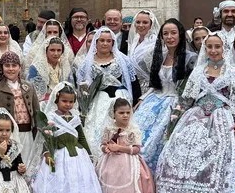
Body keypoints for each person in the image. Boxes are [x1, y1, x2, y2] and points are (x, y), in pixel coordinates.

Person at [155, 33, 235, 193]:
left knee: (223, 157)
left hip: (223, 118)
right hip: (196, 118)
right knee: (180, 155)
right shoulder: (197, 72)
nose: (213, 51)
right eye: (209, 47)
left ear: (225, 49)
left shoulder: (232, 73)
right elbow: (186, 99)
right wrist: (175, 119)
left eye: (217, 47)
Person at [30, 83, 105, 193]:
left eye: (71, 102)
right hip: (58, 154)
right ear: (57, 100)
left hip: (77, 155)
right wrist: (47, 153)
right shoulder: (51, 117)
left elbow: (81, 138)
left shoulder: (75, 118)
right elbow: (46, 138)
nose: (68, 104)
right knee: (60, 182)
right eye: (64, 101)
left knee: (76, 182)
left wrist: (89, 155)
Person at [133, 19, 193, 170]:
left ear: (180, 35)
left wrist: (181, 108)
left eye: (173, 33)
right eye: (165, 33)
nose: (169, 37)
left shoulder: (190, 58)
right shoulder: (160, 56)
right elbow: (156, 83)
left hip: (175, 103)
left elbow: (191, 88)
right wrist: (143, 98)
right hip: (154, 100)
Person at [75, 26, 139, 165]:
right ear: (95, 43)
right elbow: (82, 88)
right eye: (101, 40)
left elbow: (133, 83)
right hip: (97, 102)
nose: (105, 43)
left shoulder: (123, 60)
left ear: (113, 43)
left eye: (108, 41)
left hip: (120, 100)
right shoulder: (87, 63)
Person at [98, 98, 157, 193]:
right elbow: (103, 144)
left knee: (133, 187)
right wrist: (106, 148)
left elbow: (136, 149)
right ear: (113, 114)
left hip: (129, 162)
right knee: (109, 187)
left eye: (127, 112)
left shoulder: (133, 130)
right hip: (111, 162)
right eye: (121, 113)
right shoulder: (109, 129)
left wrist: (119, 148)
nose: (125, 115)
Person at [0, 51, 43, 176]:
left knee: (27, 165)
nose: (11, 69)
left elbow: (37, 112)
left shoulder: (29, 86)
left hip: (27, 133)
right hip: (9, 136)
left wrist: (40, 131)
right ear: (2, 67)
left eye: (14, 65)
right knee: (11, 167)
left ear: (20, 67)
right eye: (7, 65)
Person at [26, 27, 74, 100]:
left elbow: (70, 87)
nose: (56, 53)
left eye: (59, 50)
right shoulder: (36, 67)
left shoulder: (64, 65)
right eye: (52, 50)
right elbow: (34, 92)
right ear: (46, 50)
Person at [127, 9, 158, 88]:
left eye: (145, 22)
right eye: (138, 22)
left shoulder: (155, 42)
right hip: (133, 85)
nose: (140, 25)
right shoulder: (134, 40)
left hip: (149, 87)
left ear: (151, 24)